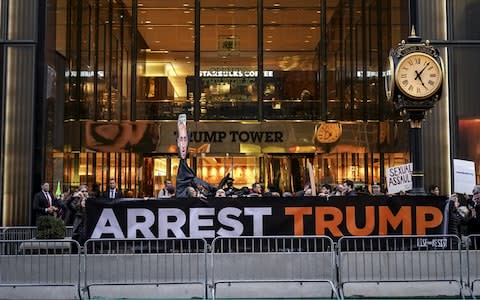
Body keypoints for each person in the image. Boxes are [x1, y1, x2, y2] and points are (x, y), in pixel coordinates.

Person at [175, 114, 217, 198]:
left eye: (185, 139)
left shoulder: (194, 182)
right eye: (181, 139)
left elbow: (211, 189)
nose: (183, 143)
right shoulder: (188, 184)